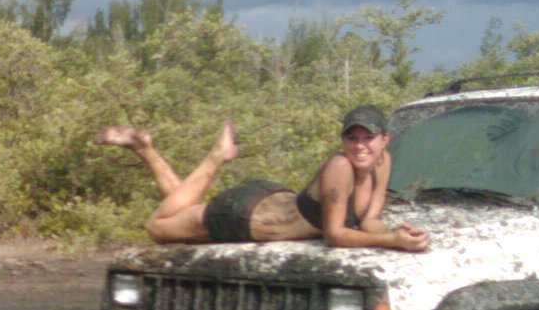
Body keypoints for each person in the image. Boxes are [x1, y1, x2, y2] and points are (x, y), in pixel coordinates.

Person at [97, 105, 429, 251]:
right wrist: (390, 243)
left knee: (183, 214)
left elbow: (369, 220)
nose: (360, 147)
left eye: (367, 139)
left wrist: (396, 232)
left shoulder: (382, 163)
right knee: (158, 227)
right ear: (342, 141)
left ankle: (145, 149)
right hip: (245, 217)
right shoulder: (340, 168)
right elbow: (336, 235)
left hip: (272, 201)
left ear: (385, 140)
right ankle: (215, 156)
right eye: (351, 138)